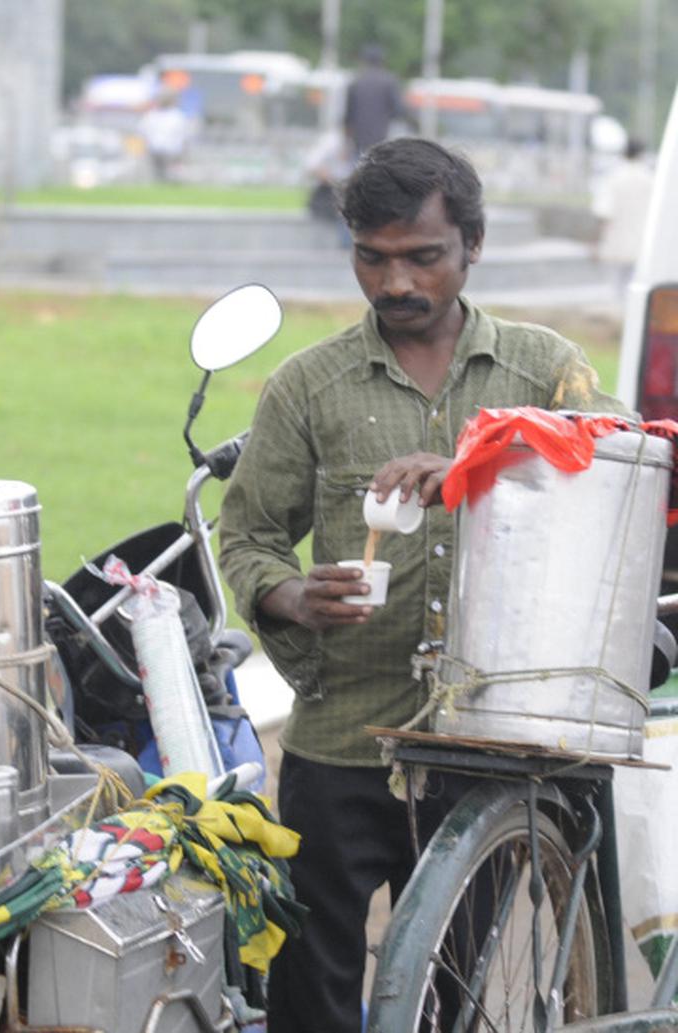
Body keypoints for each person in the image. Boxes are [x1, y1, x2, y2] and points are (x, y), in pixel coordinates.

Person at [217, 137, 626, 1033]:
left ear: (472, 246)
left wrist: (480, 465)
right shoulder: (308, 386)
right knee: (311, 970)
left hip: (492, 734)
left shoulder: (544, 371)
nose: (397, 281)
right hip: (344, 731)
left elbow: (607, 492)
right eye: (374, 257)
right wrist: (291, 596)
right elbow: (246, 535)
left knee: (466, 977)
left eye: (423, 257)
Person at [592, 136, 655, 296]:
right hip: (642, 243)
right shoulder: (650, 179)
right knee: (636, 289)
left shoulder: (614, 177)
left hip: (616, 242)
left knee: (615, 290)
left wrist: (596, 242)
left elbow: (604, 212)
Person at [344, 43, 405, 158]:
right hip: (382, 140)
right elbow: (398, 111)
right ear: (382, 61)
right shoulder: (390, 82)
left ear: (364, 61)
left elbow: (348, 117)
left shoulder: (356, 82)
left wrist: (346, 143)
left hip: (359, 141)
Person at [139, 90, 190, 182]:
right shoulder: (176, 115)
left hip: (167, 150)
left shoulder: (174, 115)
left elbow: (143, 132)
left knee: (165, 174)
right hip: (162, 149)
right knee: (161, 174)